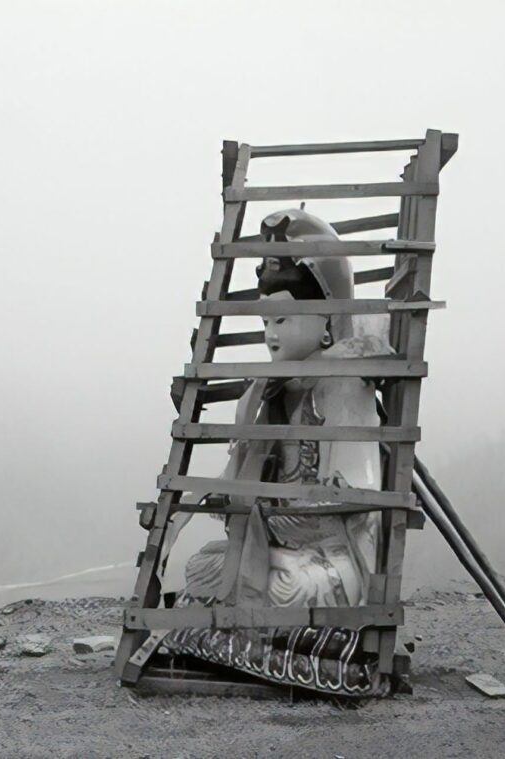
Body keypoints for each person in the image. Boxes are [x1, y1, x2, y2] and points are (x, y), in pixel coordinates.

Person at [158, 208, 393, 696]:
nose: (271, 334)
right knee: (204, 565)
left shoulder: (344, 385)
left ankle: (248, 632)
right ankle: (255, 625)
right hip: (278, 549)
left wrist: (290, 511)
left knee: (287, 585)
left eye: (284, 318)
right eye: (267, 320)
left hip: (327, 557)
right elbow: (239, 481)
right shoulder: (265, 392)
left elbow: (358, 499)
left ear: (327, 322)